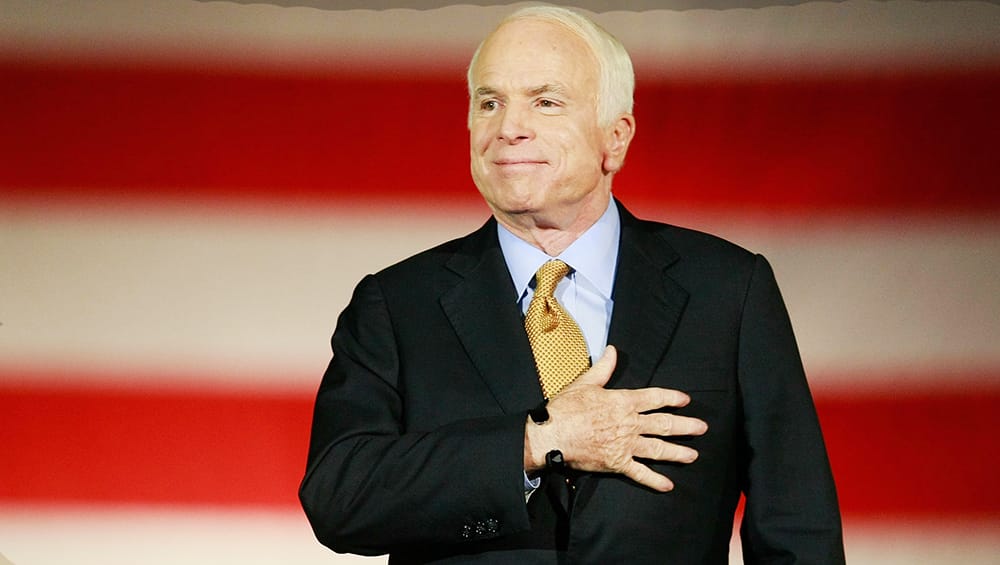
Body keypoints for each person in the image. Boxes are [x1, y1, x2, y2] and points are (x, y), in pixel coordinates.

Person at [300, 5, 845, 563]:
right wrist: (536, 442)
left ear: (616, 138)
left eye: (546, 101)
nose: (508, 128)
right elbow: (338, 497)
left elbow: (799, 530)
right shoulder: (397, 304)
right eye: (489, 103)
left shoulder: (728, 290)